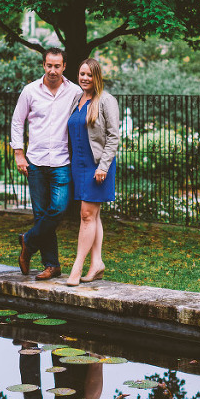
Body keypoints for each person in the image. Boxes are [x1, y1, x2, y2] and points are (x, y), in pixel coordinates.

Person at [10, 49, 82, 282]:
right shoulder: (30, 91)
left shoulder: (74, 92)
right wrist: (19, 154)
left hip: (62, 161)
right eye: (49, 65)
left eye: (57, 66)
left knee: (59, 209)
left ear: (64, 67)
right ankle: (52, 265)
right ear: (43, 65)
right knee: (41, 214)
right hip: (36, 161)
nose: (53, 70)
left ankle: (28, 241)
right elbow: (17, 122)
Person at [65, 58, 120, 286]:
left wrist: (103, 166)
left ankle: (77, 269)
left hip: (98, 166)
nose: (84, 78)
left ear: (97, 76)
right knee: (93, 215)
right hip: (79, 164)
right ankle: (97, 263)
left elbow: (114, 136)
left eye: (89, 74)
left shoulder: (106, 101)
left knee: (86, 215)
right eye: (81, 74)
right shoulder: (77, 99)